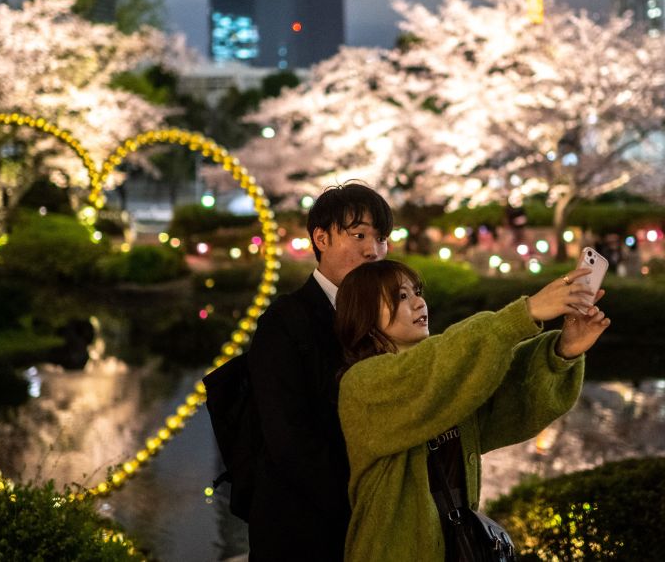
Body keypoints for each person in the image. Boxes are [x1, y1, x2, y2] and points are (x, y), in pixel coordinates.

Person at [334, 260, 609, 561]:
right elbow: (433, 366)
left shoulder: (449, 383)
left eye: (417, 292)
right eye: (401, 296)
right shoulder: (362, 385)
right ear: (364, 313)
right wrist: (524, 313)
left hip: (459, 546)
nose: (418, 303)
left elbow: (509, 398)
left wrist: (563, 351)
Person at [245, 182, 393, 561]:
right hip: (302, 527)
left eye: (381, 238)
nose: (373, 251)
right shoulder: (284, 321)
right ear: (321, 238)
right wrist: (359, 499)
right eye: (359, 235)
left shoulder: (393, 315)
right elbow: (287, 438)